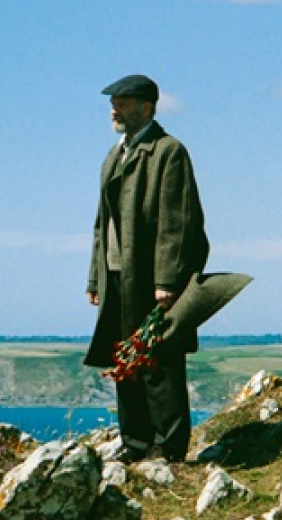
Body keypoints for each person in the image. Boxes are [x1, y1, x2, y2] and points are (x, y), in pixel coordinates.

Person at [84, 74, 209, 463]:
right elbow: (101, 223)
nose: (114, 111)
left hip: (152, 277)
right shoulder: (114, 155)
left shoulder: (169, 152)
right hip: (116, 274)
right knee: (126, 358)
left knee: (159, 360)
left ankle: (169, 447)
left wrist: (167, 280)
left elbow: (178, 221)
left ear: (147, 108)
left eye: (122, 104)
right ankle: (135, 441)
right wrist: (95, 277)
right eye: (113, 104)